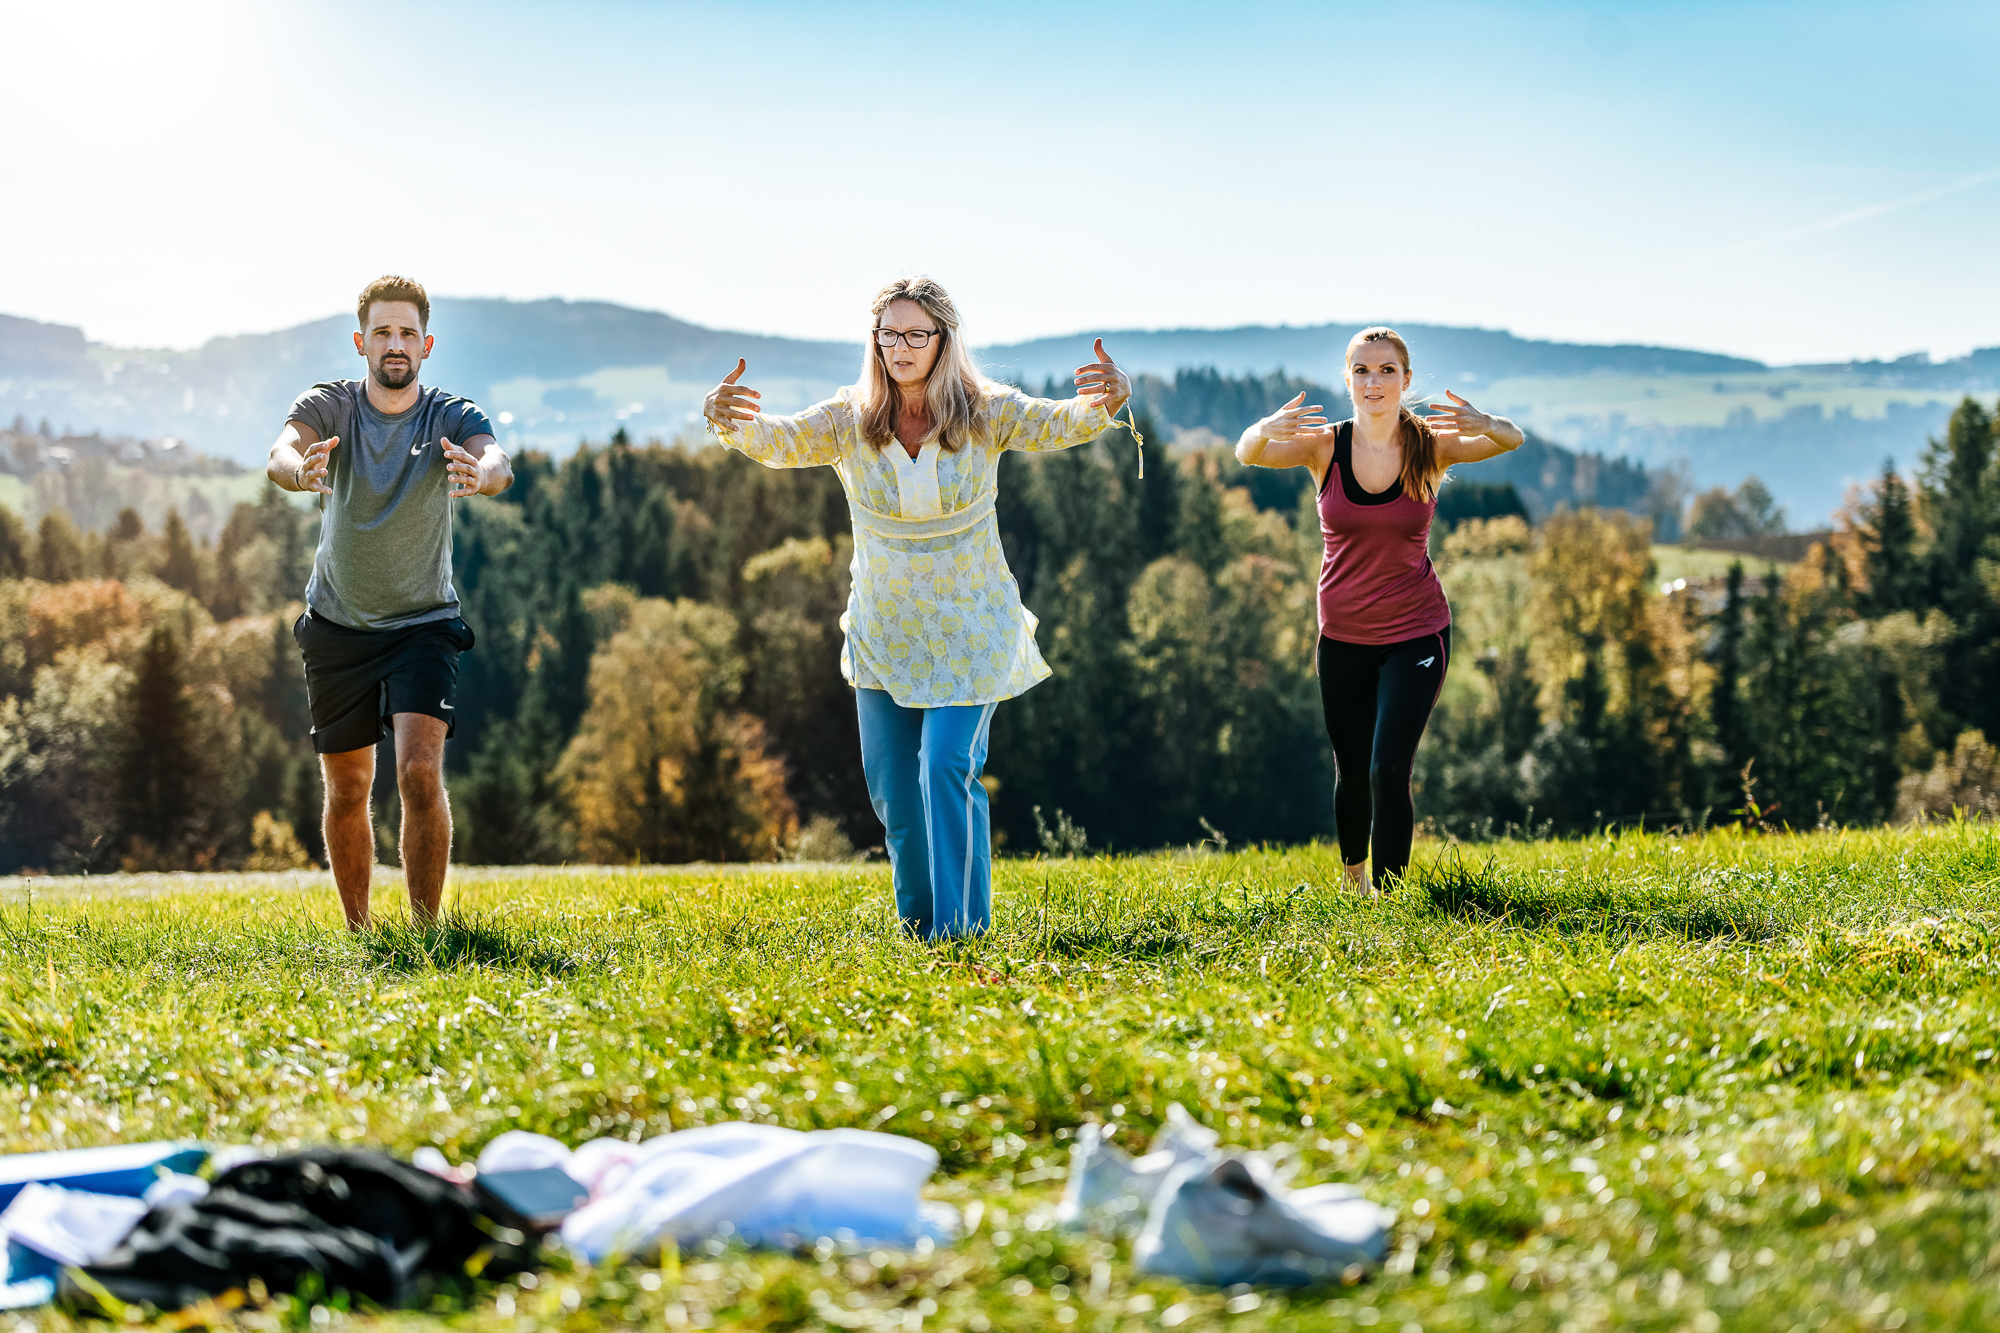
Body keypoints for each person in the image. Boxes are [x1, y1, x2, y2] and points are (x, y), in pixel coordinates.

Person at [702, 274, 1130, 940]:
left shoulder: (982, 409)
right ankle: (922, 931)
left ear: (943, 340)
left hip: (972, 625)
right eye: (890, 333)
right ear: (874, 341)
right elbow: (779, 439)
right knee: (897, 795)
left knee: (947, 766)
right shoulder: (849, 419)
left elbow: (1054, 424)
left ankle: (963, 933)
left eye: (916, 334)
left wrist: (1104, 404)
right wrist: (730, 422)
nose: (901, 347)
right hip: (885, 630)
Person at [1235, 326, 1524, 892]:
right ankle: (1354, 879)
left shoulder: (1429, 445)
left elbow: (1512, 439)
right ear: (1348, 379)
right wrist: (1261, 429)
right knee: (1351, 771)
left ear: (1406, 380)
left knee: (1388, 767)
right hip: (1341, 636)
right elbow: (1249, 453)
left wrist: (1488, 424)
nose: (1374, 382)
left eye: (1387, 370)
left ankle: (1391, 906)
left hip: (1417, 633)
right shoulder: (1325, 447)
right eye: (1362, 370)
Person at [265, 275, 513, 930]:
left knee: (417, 772)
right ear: (361, 341)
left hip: (423, 624)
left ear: (426, 344)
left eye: (407, 332)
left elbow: (498, 460)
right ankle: (360, 933)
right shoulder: (333, 405)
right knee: (347, 788)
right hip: (337, 623)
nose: (395, 344)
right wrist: (299, 470)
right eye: (382, 332)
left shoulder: (449, 415)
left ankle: (428, 935)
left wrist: (481, 476)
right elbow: (280, 450)